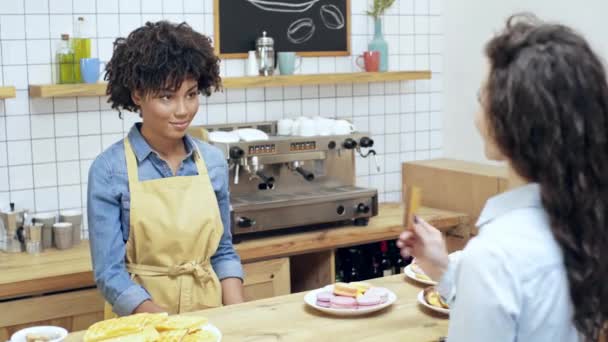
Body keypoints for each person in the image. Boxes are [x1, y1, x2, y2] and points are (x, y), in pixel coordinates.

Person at [398, 14, 608, 342]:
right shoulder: (583, 223)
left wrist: (471, 273)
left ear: (510, 123)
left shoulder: (495, 256)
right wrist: (445, 270)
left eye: (483, 96)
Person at [87, 21, 244, 316]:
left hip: (209, 316)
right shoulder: (109, 170)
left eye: (191, 93)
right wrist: (165, 325)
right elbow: (110, 274)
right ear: (137, 95)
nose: (183, 110)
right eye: (166, 97)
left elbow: (222, 251)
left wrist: (238, 315)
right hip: (141, 323)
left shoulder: (211, 162)